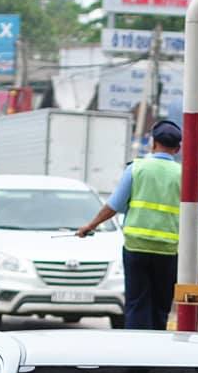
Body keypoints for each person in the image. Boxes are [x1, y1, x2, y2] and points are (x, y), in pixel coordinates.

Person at [77, 118, 183, 330]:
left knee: (137, 304)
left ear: (153, 143)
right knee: (161, 306)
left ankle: (135, 353)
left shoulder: (136, 169)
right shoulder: (183, 174)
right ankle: (156, 353)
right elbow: (197, 211)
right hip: (168, 250)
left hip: (136, 248)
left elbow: (114, 204)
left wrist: (91, 225)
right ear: (178, 148)